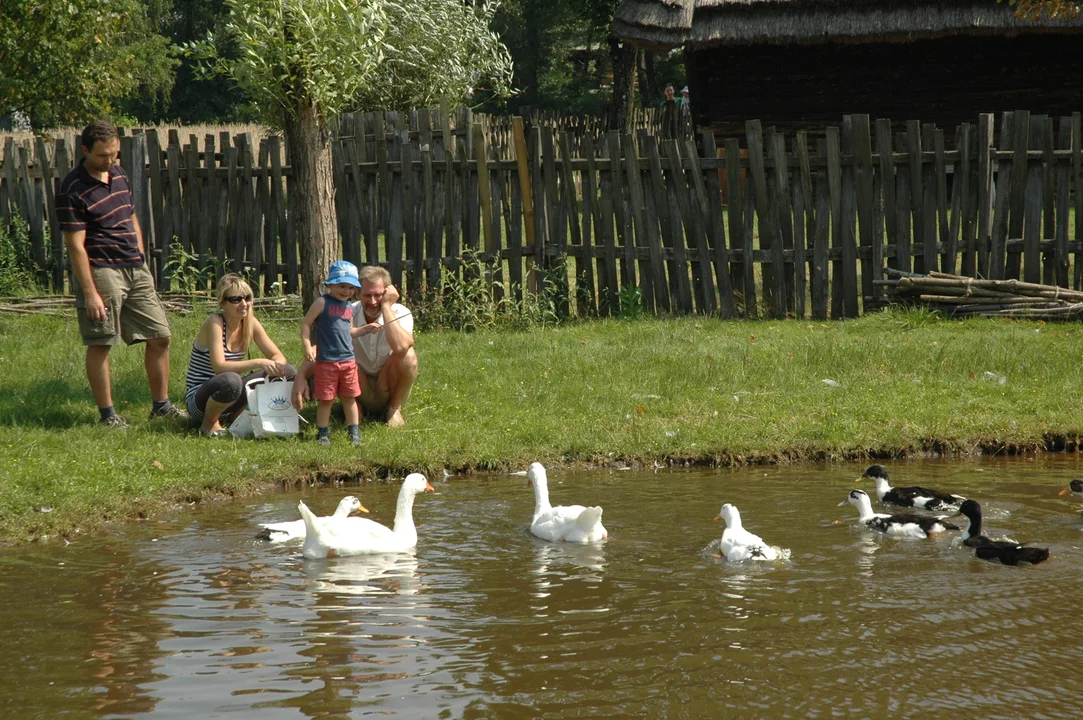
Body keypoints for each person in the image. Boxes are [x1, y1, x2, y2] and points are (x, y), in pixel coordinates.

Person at [57, 120, 185, 427]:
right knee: (101, 341)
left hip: (134, 267)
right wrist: (89, 292)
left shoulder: (119, 172)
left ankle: (162, 406)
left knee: (160, 336)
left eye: (114, 153)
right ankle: (108, 415)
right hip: (102, 270)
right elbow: (75, 246)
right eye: (103, 155)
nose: (110, 160)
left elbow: (130, 215)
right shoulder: (72, 189)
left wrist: (140, 253)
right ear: (85, 150)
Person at [292, 265, 417, 429]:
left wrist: (386, 307)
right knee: (337, 360)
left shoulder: (400, 312)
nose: (372, 302)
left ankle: (394, 409)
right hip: (357, 383)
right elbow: (325, 347)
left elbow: (401, 348)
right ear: (358, 293)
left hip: (388, 384)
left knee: (409, 356)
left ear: (387, 293)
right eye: (367, 295)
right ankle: (355, 408)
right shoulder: (347, 311)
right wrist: (300, 376)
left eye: (378, 295)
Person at [185, 273, 295, 437]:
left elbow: (277, 355)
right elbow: (219, 367)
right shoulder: (215, 323)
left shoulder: (250, 323)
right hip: (200, 399)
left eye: (247, 298)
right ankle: (208, 424)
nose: (244, 304)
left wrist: (276, 366)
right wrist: (259, 362)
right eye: (236, 299)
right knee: (231, 380)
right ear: (223, 303)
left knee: (289, 371)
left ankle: (257, 415)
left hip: (231, 393)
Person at [300, 261, 368, 446]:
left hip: (348, 361)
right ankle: (323, 433)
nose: (346, 291)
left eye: (350, 287)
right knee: (326, 399)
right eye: (342, 286)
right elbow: (306, 324)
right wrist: (307, 346)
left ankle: (354, 432)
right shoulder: (322, 302)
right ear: (330, 284)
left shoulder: (348, 307)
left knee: (350, 397)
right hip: (327, 362)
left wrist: (366, 329)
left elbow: (350, 331)